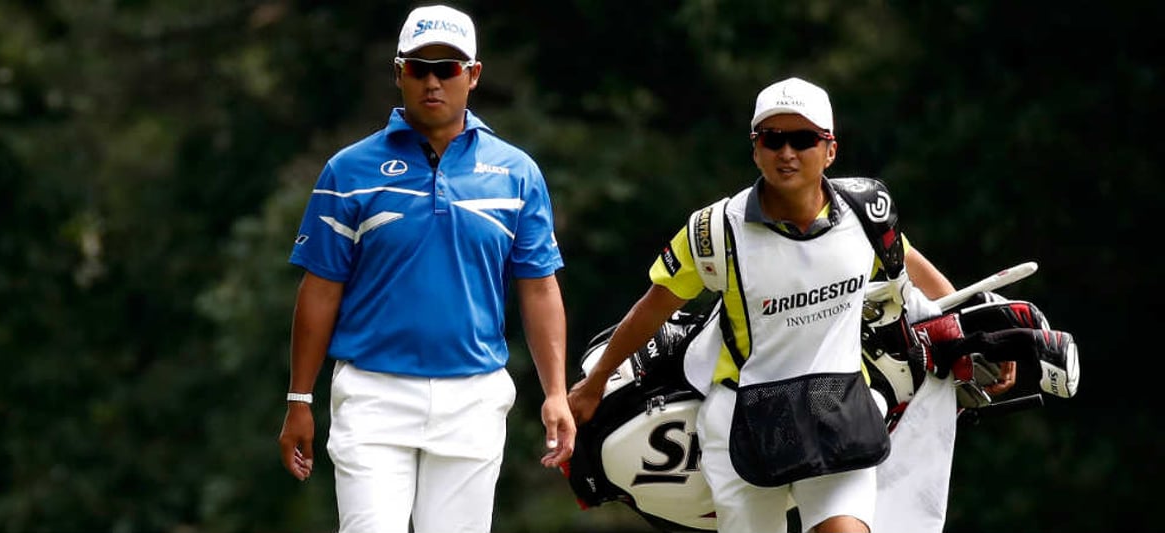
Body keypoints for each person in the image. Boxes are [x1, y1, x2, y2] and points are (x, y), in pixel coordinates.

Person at [567, 77, 1013, 533]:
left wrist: (981, 333)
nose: (787, 153)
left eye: (803, 139)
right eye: (772, 138)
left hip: (837, 407)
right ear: (755, 148)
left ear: (830, 149)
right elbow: (652, 308)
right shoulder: (716, 230)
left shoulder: (867, 211)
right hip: (744, 419)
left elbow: (914, 269)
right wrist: (594, 383)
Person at [277, 5, 575, 533]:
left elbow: (538, 287)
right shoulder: (348, 171)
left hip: (474, 395)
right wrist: (300, 398)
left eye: (448, 68)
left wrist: (555, 392)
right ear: (399, 74)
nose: (433, 81)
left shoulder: (516, 173)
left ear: (473, 75)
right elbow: (320, 289)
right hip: (373, 393)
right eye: (418, 68)